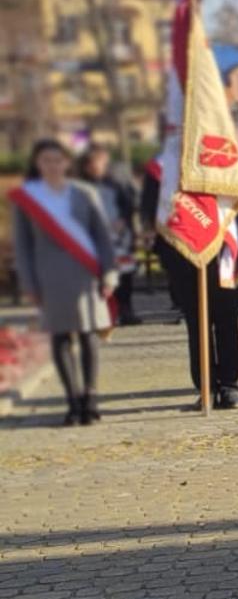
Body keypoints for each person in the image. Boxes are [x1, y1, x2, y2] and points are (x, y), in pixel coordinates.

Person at [11, 140, 118, 426]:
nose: (52, 165)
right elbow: (23, 246)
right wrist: (30, 284)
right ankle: (72, 400)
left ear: (67, 162)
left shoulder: (84, 193)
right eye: (46, 160)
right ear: (37, 163)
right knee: (60, 336)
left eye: (57, 160)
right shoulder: (28, 198)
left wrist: (109, 273)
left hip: (87, 273)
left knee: (88, 334)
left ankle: (90, 397)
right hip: (49, 276)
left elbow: (102, 236)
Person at [142, 144, 238, 410]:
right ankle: (206, 386)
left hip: (224, 255)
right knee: (197, 324)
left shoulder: (223, 160)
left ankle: (229, 385)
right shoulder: (162, 169)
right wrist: (169, 254)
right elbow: (150, 214)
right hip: (183, 256)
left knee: (227, 322)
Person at [77, 145, 141, 325]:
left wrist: (123, 220)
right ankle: (103, 313)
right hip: (92, 238)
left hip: (118, 237)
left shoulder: (116, 184)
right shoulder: (80, 187)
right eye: (98, 162)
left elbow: (129, 204)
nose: (103, 166)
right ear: (87, 165)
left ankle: (126, 309)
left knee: (124, 275)